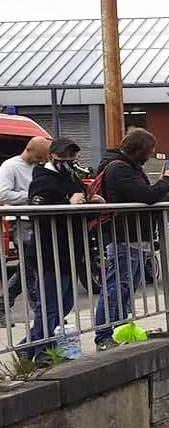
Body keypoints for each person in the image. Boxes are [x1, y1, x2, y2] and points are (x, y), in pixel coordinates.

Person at [93, 128, 169, 351]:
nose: (151, 154)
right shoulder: (120, 169)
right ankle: (104, 335)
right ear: (138, 150)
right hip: (124, 238)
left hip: (135, 238)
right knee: (116, 287)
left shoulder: (128, 167)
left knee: (126, 288)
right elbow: (146, 196)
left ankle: (119, 330)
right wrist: (166, 181)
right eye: (149, 150)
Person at [17, 138, 94, 361]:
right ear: (52, 156)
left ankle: (28, 345)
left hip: (70, 252)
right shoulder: (42, 180)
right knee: (51, 305)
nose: (70, 161)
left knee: (66, 302)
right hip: (49, 253)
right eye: (65, 156)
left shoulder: (72, 178)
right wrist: (67, 203)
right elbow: (39, 211)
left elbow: (81, 209)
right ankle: (42, 353)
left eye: (73, 156)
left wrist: (92, 203)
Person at [0, 136, 49, 326]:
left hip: (36, 219)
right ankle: (39, 312)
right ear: (29, 150)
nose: (41, 161)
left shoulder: (39, 168)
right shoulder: (10, 166)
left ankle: (4, 304)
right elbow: (3, 193)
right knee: (31, 265)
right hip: (20, 220)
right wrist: (31, 197)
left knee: (30, 264)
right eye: (39, 157)